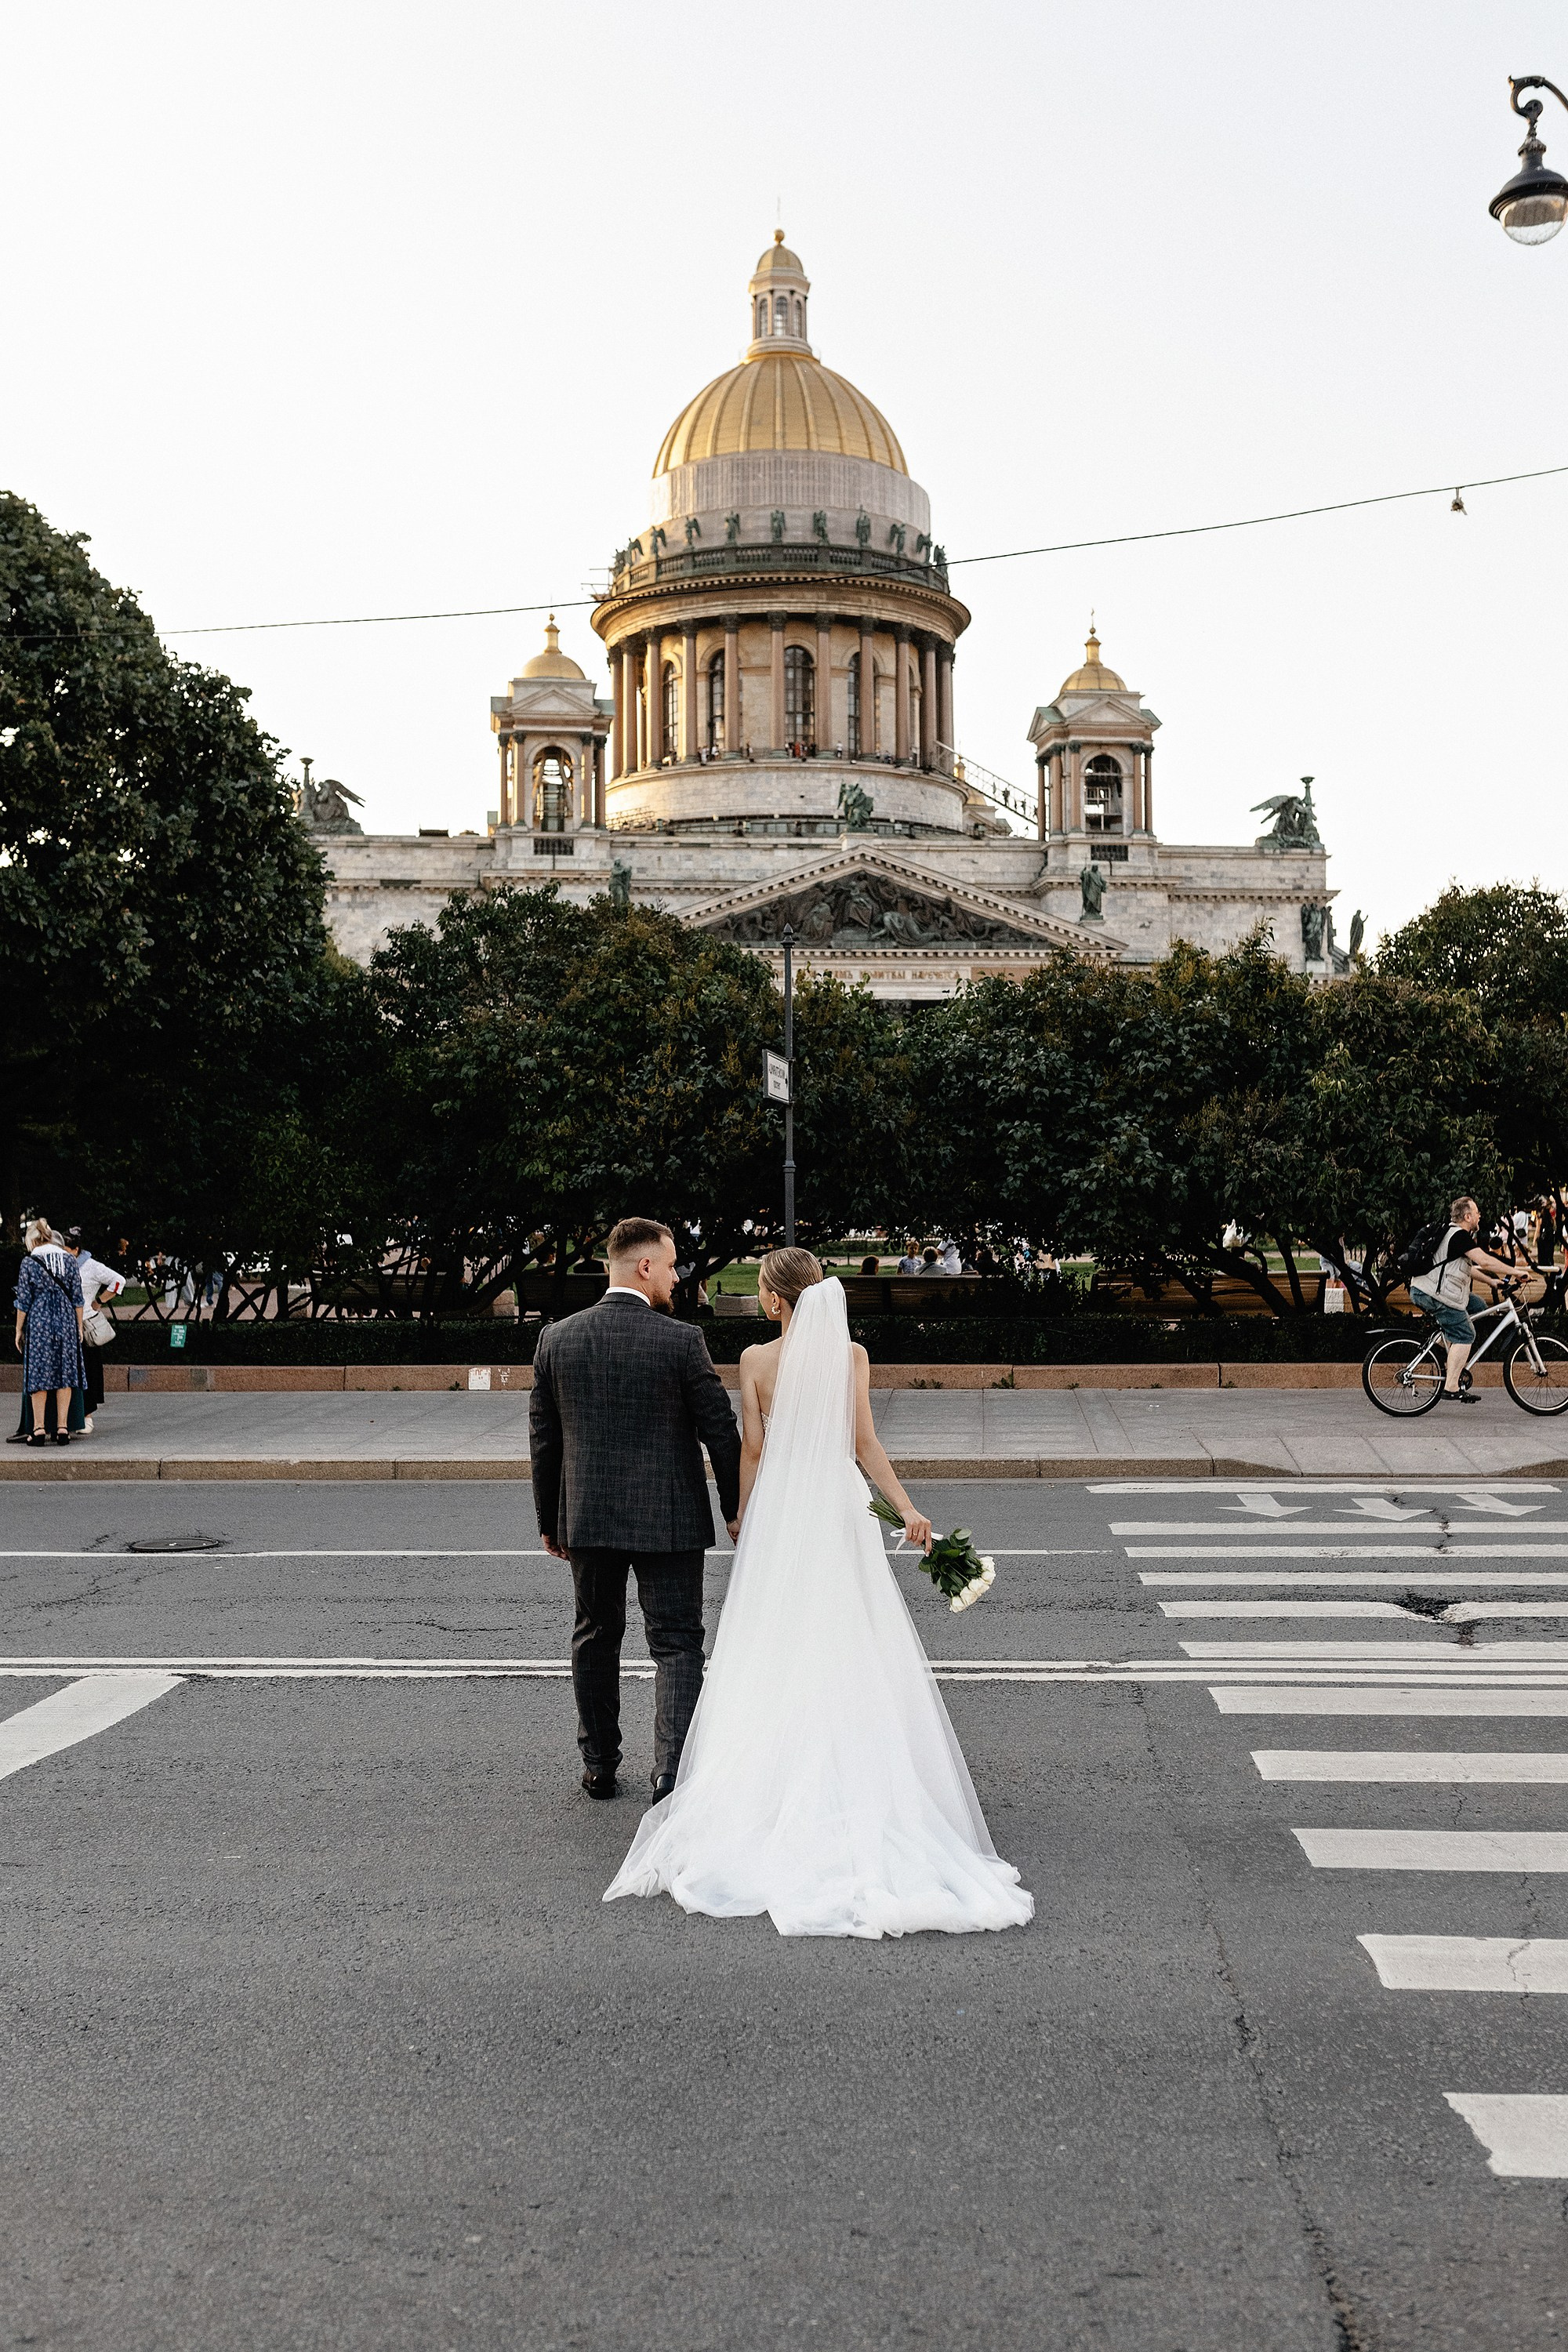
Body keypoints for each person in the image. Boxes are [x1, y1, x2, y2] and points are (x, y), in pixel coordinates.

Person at [604, 1250, 1033, 1938]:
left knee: (774, 1640)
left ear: (775, 1301)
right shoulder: (852, 1355)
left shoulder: (752, 1361)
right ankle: (859, 1771)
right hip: (838, 1506)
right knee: (849, 1632)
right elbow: (865, 1445)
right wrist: (908, 1508)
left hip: (782, 1509)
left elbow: (751, 1450)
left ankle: (768, 1781)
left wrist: (743, 1518)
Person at [528, 1216, 742, 1802]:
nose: (677, 1277)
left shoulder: (558, 1338)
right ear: (644, 1266)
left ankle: (599, 1765)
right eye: (672, 1265)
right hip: (668, 1517)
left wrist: (551, 1519)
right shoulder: (681, 1341)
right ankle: (670, 1772)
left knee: (595, 1635)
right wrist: (735, 1508)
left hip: (588, 1516)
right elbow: (721, 1431)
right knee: (676, 1644)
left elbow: (545, 1439)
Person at [1408, 1196, 1526, 1402]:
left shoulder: (1455, 1235)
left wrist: (1492, 1283)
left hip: (1436, 1289)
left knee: (1478, 1306)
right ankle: (1451, 1386)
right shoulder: (1459, 1236)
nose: (1480, 1215)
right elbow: (1485, 1261)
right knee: (1465, 1334)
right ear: (1468, 1216)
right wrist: (1516, 1272)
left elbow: (1465, 1268)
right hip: (1433, 1293)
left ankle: (1447, 1342)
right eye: (1477, 1212)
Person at [13, 1219, 85, 1448]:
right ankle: (63, 1428)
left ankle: (39, 1429)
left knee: (38, 1374)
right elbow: (77, 1297)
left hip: (40, 1321)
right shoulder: (69, 1259)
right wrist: (79, 1327)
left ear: (33, 1240)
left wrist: (18, 1329)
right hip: (65, 1320)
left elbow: (23, 1300)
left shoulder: (30, 1261)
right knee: (65, 1372)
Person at [64, 1229, 123, 1433]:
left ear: (76, 1249)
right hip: (65, 1323)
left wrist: (98, 1301)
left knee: (87, 1369)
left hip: (86, 1322)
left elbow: (119, 1280)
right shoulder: (61, 1265)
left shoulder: (91, 1267)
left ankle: (87, 1415)